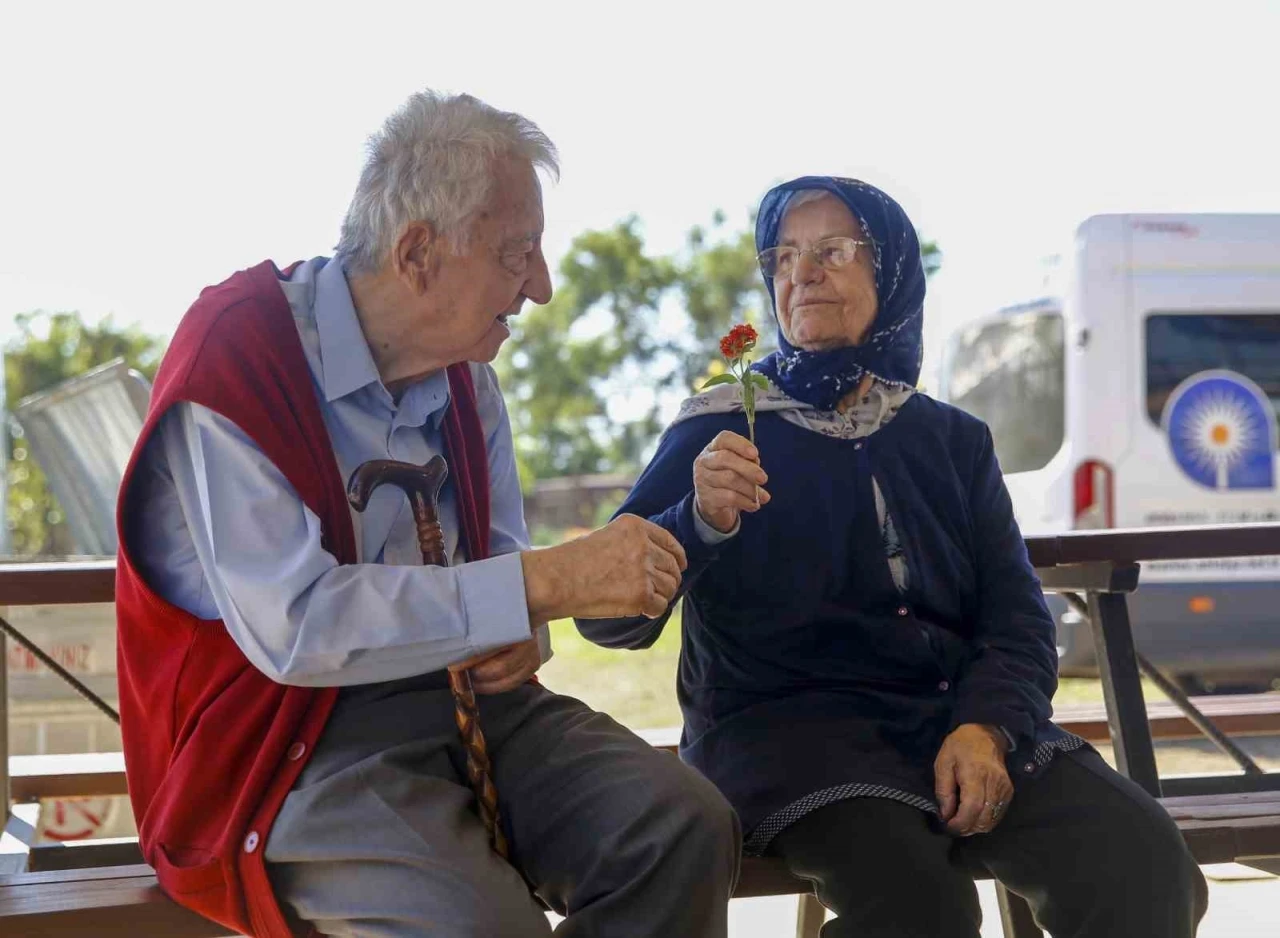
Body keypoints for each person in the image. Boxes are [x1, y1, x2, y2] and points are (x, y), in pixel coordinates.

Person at [114, 90, 739, 938]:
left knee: (682, 830)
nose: (543, 287)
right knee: (479, 928)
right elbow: (297, 627)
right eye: (517, 253)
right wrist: (543, 585)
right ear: (416, 253)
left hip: (468, 705)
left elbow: (503, 569)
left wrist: (528, 627)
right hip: (285, 742)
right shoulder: (238, 356)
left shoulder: (468, 380)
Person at [577, 176, 1209, 937]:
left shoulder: (951, 440)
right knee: (919, 911)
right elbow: (606, 623)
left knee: (1144, 864)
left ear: (892, 273)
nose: (802, 274)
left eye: (832, 251)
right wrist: (697, 520)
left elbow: (1015, 619)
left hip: (954, 719)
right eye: (783, 256)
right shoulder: (719, 429)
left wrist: (986, 728)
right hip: (791, 739)